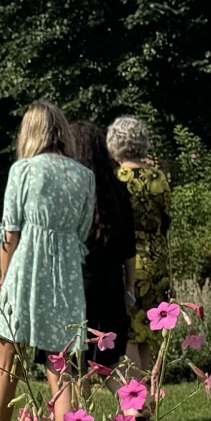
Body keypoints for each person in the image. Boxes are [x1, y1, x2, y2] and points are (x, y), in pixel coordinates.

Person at [0, 102, 94, 421]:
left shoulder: (24, 170)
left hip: (26, 271)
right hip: (66, 276)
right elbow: (83, 232)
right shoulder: (85, 176)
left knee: (8, 364)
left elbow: (11, 233)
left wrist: (5, 282)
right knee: (60, 366)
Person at [105, 115, 172, 370]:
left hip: (128, 261)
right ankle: (148, 395)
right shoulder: (159, 178)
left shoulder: (117, 179)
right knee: (148, 330)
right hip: (157, 260)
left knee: (129, 332)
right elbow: (166, 220)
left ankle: (138, 400)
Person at [69, 120, 135, 375]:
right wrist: (129, 286)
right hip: (111, 284)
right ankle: (136, 408)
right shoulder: (117, 188)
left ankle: (80, 415)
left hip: (79, 281)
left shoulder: (73, 189)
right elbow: (129, 245)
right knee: (108, 362)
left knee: (77, 363)